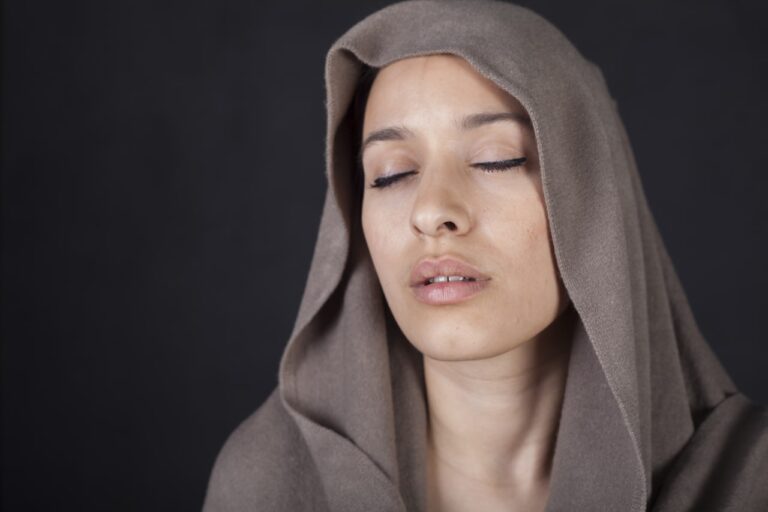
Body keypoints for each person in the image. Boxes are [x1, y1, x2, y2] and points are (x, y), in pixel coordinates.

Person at [202, 1, 768, 511]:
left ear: (594, 196)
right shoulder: (269, 483)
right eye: (391, 174)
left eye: (496, 160)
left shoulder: (750, 483)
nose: (432, 211)